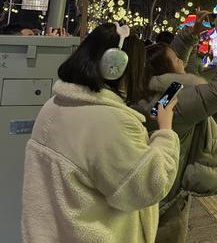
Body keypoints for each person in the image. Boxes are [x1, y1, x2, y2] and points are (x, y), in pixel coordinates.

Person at [22, 23, 181, 243]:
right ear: (114, 66)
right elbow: (149, 186)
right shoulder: (110, 122)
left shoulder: (54, 105)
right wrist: (165, 130)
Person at [136, 12, 217, 243]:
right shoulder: (175, 104)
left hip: (155, 190)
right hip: (166, 202)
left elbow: (171, 67)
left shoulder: (157, 94)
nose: (182, 61)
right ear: (168, 69)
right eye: (176, 59)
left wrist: (191, 34)